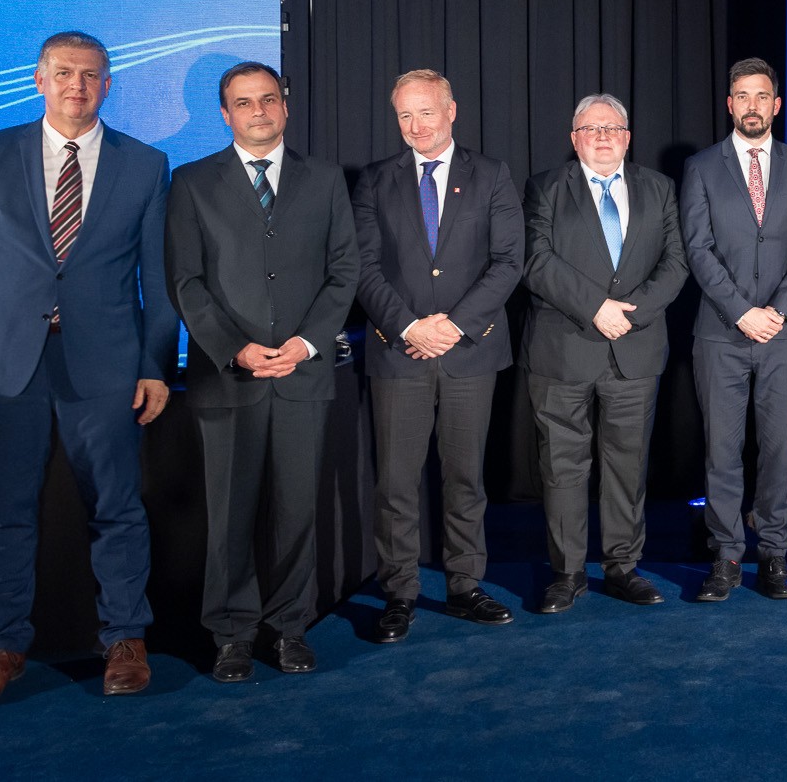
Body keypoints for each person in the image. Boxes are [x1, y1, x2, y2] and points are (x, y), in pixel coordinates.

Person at [0, 31, 177, 703]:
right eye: (64, 73)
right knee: (3, 513)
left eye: (91, 75)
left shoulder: (147, 166)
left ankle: (125, 638)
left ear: (108, 85)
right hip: (3, 363)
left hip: (106, 363)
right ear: (39, 80)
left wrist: (156, 366)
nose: (77, 85)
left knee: (118, 509)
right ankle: (2, 646)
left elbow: (159, 278)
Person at [165, 61, 359, 682]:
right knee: (229, 516)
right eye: (243, 102)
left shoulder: (325, 179)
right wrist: (236, 349)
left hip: (303, 373)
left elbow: (344, 271)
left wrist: (306, 342)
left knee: (297, 511)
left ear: (285, 105)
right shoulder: (191, 182)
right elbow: (185, 282)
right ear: (224, 114)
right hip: (229, 377)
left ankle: (289, 629)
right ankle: (230, 636)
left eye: (268, 99)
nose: (258, 111)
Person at [351, 69, 523, 641]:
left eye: (425, 112)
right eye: (404, 115)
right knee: (396, 482)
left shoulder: (493, 175)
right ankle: (399, 593)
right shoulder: (375, 181)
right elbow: (365, 267)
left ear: (452, 111)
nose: (415, 126)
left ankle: (465, 586)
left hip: (468, 351)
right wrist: (406, 327)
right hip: (399, 354)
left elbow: (508, 261)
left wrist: (453, 326)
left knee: (464, 478)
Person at [521, 94, 689, 613]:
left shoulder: (658, 189)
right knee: (563, 467)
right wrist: (595, 307)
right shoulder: (546, 187)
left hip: (634, 351)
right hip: (563, 351)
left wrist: (630, 314)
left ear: (627, 136)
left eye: (612, 127)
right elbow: (535, 260)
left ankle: (623, 567)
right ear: (574, 139)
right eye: (590, 128)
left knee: (627, 465)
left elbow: (676, 262)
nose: (601, 135)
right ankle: (568, 573)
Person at [680, 58, 787, 601]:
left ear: (776, 105)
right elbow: (697, 249)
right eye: (741, 96)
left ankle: (772, 557)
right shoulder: (701, 167)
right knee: (721, 450)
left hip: (783, 335)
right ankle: (724, 558)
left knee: (775, 450)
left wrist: (782, 312)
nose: (751, 105)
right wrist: (742, 311)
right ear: (729, 104)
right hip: (721, 332)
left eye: (760, 96)